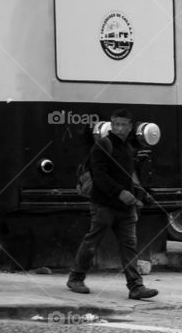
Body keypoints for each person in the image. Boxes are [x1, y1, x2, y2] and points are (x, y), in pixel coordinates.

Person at [67, 109, 158, 300]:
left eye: (123, 124)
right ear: (111, 124)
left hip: (125, 208)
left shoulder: (127, 147)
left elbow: (129, 178)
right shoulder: (103, 144)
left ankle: (136, 286)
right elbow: (99, 176)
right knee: (92, 242)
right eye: (116, 124)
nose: (119, 128)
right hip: (103, 205)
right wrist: (120, 193)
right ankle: (76, 278)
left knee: (129, 247)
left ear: (130, 126)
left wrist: (139, 195)